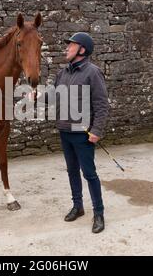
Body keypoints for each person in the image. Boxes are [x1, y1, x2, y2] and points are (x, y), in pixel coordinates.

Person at [55, 32, 110, 233]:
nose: (66, 48)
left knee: (89, 174)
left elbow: (101, 104)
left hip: (83, 133)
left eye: (71, 45)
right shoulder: (62, 73)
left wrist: (97, 130)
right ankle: (78, 207)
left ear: (82, 50)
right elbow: (54, 98)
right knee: (71, 171)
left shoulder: (92, 72)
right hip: (64, 131)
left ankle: (99, 213)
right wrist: (36, 96)